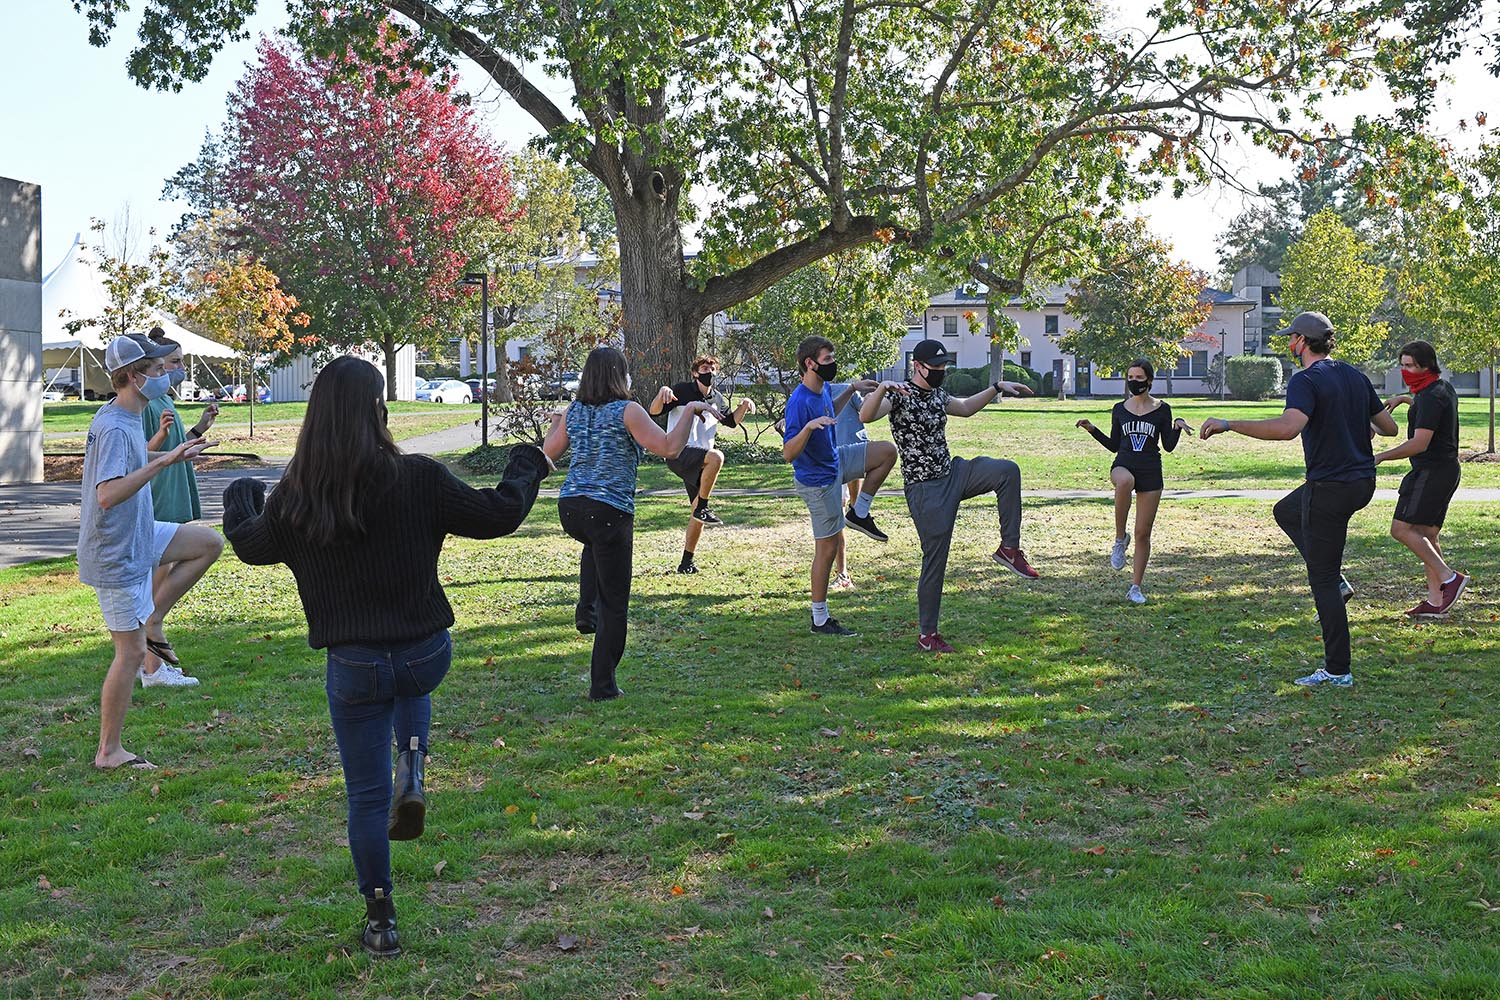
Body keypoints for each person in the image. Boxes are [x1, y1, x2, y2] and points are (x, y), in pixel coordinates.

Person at [222, 356, 550, 959]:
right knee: (410, 677)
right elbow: (500, 513)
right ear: (378, 412)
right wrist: (531, 460)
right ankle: (416, 763)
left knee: (366, 800)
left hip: (354, 667)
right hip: (426, 653)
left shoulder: (297, 498)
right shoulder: (420, 477)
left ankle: (380, 918)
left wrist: (241, 495)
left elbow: (249, 545)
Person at [1201, 312, 1398, 686]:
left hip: (1331, 487)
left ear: (1303, 342)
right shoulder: (1354, 376)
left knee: (1321, 579)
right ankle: (1336, 580)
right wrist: (1361, 418)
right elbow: (1389, 428)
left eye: (1291, 338)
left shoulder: (1305, 379)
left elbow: (1288, 429)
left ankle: (1338, 670)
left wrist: (1229, 424)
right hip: (1361, 483)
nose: (1289, 344)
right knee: (1287, 510)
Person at [543, 347, 712, 698]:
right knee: (615, 603)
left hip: (571, 507)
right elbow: (667, 447)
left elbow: (549, 452)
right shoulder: (628, 411)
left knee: (593, 543)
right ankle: (603, 686)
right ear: (619, 375)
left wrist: (558, 421)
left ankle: (585, 608)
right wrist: (691, 411)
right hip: (609, 509)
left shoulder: (575, 410)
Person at [79, 335, 214, 771]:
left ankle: (154, 618)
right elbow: (107, 495)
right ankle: (108, 752)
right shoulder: (117, 425)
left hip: (141, 533)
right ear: (134, 377)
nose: (165, 376)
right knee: (132, 654)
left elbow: (131, 463)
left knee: (209, 543)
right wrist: (162, 461)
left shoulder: (126, 415)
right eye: (157, 370)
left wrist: (169, 453)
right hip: (116, 552)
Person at [860, 339, 1036, 653]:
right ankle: (928, 634)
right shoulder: (899, 395)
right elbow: (865, 417)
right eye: (935, 367)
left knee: (1007, 471)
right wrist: (882, 388)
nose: (941, 371)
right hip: (925, 490)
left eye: (944, 366)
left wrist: (996, 386)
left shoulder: (938, 394)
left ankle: (1009, 549)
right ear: (918, 366)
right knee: (935, 562)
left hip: (953, 473)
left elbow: (965, 408)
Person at [781, 338, 898, 636]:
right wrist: (808, 428)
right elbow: (788, 453)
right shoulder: (799, 401)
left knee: (886, 452)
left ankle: (860, 512)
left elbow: (829, 412)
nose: (832, 363)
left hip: (836, 461)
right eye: (828, 358)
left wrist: (851, 389)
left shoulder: (821, 390)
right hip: (818, 482)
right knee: (828, 547)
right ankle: (819, 619)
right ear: (810, 363)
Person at [138, 330, 223, 686]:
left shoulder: (166, 401)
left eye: (179, 362)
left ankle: (150, 664)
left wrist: (201, 428)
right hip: (156, 500)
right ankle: (151, 668)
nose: (179, 369)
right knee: (153, 589)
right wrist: (161, 442)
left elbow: (174, 448)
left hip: (173, 497)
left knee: (159, 584)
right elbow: (140, 454)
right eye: (173, 363)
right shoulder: (143, 406)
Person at [1076, 359, 1193, 604]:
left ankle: (1135, 587)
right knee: (1124, 482)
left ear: (1149, 381)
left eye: (1139, 378)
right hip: (1124, 464)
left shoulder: (1162, 409)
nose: (1134, 382)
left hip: (1151, 471)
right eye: (1130, 377)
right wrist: (1092, 429)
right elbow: (1114, 445)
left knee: (1143, 533)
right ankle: (1119, 539)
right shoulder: (1119, 408)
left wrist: (1177, 426)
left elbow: (1168, 447)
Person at [1374, 340, 1468, 617]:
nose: (1405, 371)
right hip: (1446, 470)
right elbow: (1429, 408)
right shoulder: (1441, 388)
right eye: (1402, 365)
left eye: (1411, 366)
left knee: (1401, 529)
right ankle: (1437, 601)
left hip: (1430, 471)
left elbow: (1419, 444)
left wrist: (1379, 457)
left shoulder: (1429, 397)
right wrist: (1404, 399)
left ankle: (1450, 579)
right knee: (1427, 535)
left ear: (1427, 365)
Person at [648, 356, 755, 574]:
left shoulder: (717, 397)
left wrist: (744, 405)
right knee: (717, 457)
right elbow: (654, 411)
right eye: (705, 368)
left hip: (700, 460)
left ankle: (686, 562)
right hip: (679, 452)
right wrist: (662, 393)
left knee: (697, 512)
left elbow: (731, 422)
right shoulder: (682, 390)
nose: (710, 372)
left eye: (713, 369)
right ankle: (703, 507)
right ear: (695, 373)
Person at [827, 378, 872, 590]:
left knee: (852, 508)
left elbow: (866, 411)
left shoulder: (847, 389)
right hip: (831, 458)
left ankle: (858, 510)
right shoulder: (810, 393)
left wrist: (875, 395)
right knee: (837, 517)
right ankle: (842, 573)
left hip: (855, 452)